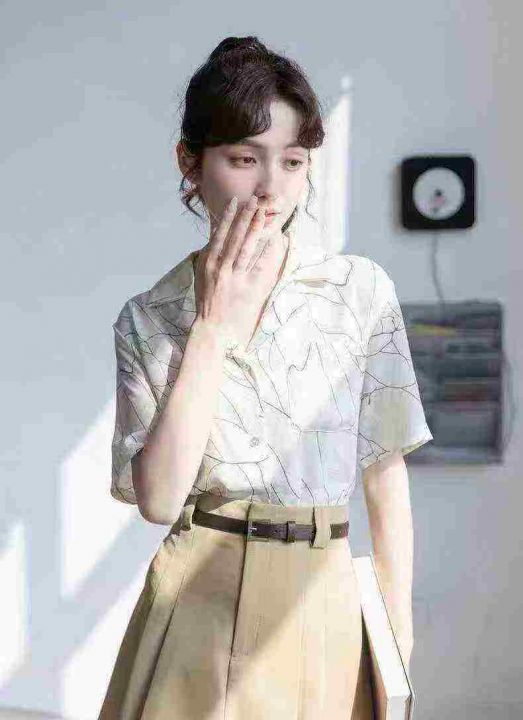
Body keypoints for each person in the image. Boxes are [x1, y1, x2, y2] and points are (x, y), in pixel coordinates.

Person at [98, 35, 433, 720]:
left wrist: (396, 638)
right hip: (197, 597)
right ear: (189, 162)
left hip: (324, 596)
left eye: (293, 160)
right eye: (244, 158)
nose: (271, 187)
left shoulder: (358, 292)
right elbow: (159, 500)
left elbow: (385, 479)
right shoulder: (149, 317)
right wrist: (210, 329)